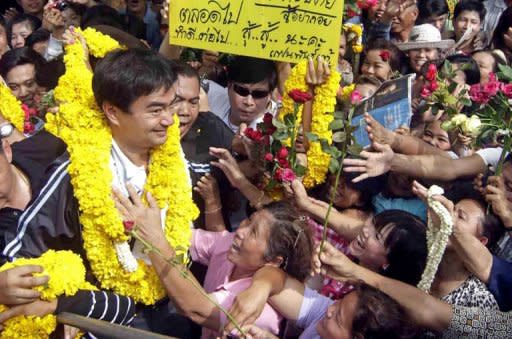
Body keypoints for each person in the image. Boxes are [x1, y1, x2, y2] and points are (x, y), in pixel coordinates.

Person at [112, 195, 314, 338]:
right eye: (249, 221)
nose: (241, 231)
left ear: (274, 261)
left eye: (254, 232)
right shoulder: (230, 243)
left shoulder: (259, 309)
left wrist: (154, 239)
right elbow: (183, 238)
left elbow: (195, 308)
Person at [207, 55, 277, 133]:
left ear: (269, 95)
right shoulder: (209, 95)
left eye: (259, 94)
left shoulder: (278, 127)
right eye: (242, 91)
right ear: (229, 85)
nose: (248, 102)